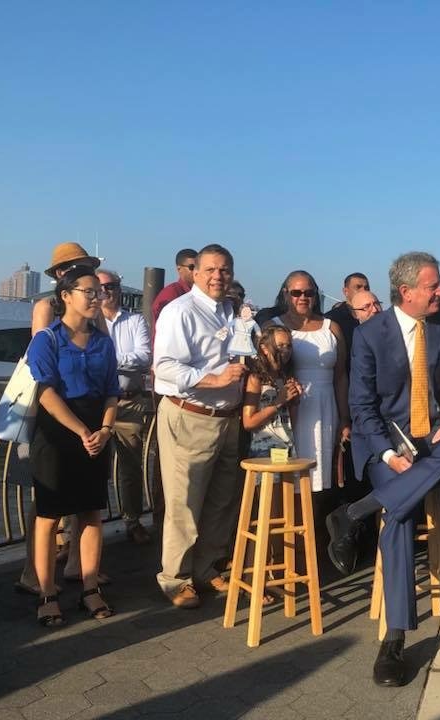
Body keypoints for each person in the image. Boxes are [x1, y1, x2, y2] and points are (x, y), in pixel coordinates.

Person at [325, 251, 440, 687]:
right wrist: (385, 453)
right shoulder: (369, 334)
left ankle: (355, 513)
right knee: (400, 512)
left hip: (437, 439)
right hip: (386, 442)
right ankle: (395, 639)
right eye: (433, 286)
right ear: (407, 292)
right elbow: (362, 405)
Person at [153, 244, 247, 608]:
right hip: (190, 414)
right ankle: (175, 578)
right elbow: (164, 367)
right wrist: (215, 379)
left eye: (224, 269)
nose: (217, 276)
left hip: (227, 419)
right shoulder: (180, 312)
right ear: (194, 272)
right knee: (184, 503)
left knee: (221, 500)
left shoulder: (231, 313)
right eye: (209, 269)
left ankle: (207, 568)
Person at [27, 266, 120, 626]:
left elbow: (112, 389)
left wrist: (106, 429)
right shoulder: (47, 340)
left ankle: (90, 586)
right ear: (66, 296)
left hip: (97, 431)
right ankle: (47, 592)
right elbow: (46, 392)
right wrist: (83, 430)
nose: (97, 298)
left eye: (99, 292)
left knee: (91, 512)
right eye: (89, 291)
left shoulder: (103, 342)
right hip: (57, 433)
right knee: (49, 518)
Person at [16, 243, 104, 595]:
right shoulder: (45, 308)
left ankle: (76, 565)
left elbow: (104, 349)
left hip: (88, 411)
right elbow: (42, 360)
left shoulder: (92, 309)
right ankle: (34, 574)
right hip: (54, 415)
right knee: (48, 501)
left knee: (82, 501)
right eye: (76, 267)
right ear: (59, 276)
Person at [269, 271, 350, 493]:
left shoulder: (331, 327)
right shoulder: (273, 326)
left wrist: (344, 418)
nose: (303, 297)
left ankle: (313, 524)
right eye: (296, 292)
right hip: (290, 406)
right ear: (286, 294)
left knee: (320, 471)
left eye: (309, 292)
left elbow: (341, 375)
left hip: (325, 406)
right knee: (289, 473)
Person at [97, 269, 152, 545]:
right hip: (95, 406)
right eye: (101, 286)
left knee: (131, 467)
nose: (107, 291)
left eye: (112, 286)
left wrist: (107, 359)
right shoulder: (89, 323)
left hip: (130, 401)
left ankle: (132, 520)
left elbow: (144, 357)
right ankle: (73, 533)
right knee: (90, 468)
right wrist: (122, 360)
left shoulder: (135, 320)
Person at [242, 325, 302, 458]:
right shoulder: (256, 379)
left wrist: (295, 401)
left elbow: (290, 421)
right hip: (264, 451)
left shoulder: (285, 377)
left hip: (287, 448)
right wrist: (278, 402)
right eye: (280, 345)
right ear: (264, 348)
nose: (285, 350)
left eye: (289, 346)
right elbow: (248, 422)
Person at [324, 272, 371, 367]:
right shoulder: (331, 319)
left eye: (366, 288)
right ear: (346, 291)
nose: (363, 291)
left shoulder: (375, 317)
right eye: (358, 287)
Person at [151, 248, 196, 325]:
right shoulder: (172, 293)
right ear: (179, 269)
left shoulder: (200, 293)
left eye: (199, 267)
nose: (196, 270)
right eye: (192, 267)